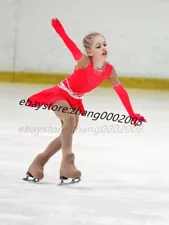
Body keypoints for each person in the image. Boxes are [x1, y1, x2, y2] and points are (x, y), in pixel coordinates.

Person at [23, 18, 146, 184]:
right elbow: (70, 45)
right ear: (89, 52)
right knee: (70, 119)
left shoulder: (109, 70)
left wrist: (132, 114)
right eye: (98, 46)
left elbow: (121, 91)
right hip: (60, 93)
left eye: (104, 44)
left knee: (67, 133)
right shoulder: (84, 62)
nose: (103, 48)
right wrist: (61, 31)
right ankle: (68, 161)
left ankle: (39, 162)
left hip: (75, 100)